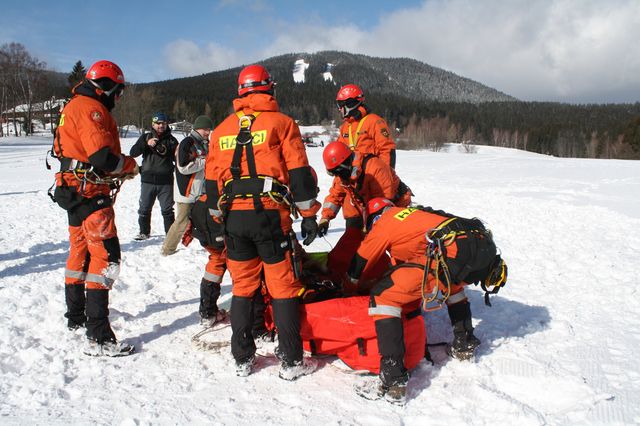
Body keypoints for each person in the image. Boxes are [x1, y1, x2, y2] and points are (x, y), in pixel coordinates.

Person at [205, 64, 320, 380]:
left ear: (242, 91)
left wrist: (218, 221)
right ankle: (291, 359)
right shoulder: (282, 123)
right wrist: (309, 216)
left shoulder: (222, 129)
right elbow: (298, 174)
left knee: (243, 287)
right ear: (269, 88)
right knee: (283, 287)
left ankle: (242, 358)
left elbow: (213, 182)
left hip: (233, 218)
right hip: (269, 215)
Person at [347, 198, 507, 404]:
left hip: (453, 251)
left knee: (384, 295)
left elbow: (362, 260)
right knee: (452, 286)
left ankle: (393, 379)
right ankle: (464, 345)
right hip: (477, 247)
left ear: (371, 219)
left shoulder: (384, 222)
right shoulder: (410, 215)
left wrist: (349, 286)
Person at [51, 60, 138, 357]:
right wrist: (128, 165)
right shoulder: (91, 108)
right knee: (105, 257)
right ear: (107, 87)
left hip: (72, 188)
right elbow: (101, 157)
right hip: (89, 191)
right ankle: (99, 336)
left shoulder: (73, 105)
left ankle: (76, 317)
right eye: (118, 92)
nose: (118, 99)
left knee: (80, 251)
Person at [318, 141, 412, 278]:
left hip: (392, 203)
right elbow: (335, 196)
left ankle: (399, 273)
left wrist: (369, 227)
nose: (337, 177)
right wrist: (325, 219)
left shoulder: (375, 168)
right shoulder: (343, 174)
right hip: (366, 205)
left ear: (344, 163)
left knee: (387, 239)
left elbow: (384, 202)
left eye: (337, 172)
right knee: (354, 236)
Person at [161, 115, 213, 256]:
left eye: (209, 129)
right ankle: (167, 249)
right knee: (182, 221)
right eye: (205, 129)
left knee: (204, 219)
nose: (208, 132)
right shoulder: (187, 143)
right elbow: (183, 167)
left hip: (200, 190)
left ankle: (209, 245)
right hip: (186, 190)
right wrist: (206, 161)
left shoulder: (204, 143)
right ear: (197, 128)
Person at [130, 112, 179, 240]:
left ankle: (170, 234)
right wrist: (146, 144)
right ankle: (144, 232)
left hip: (166, 181)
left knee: (167, 210)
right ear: (153, 124)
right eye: (158, 123)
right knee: (144, 208)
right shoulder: (145, 137)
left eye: (163, 123)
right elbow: (133, 153)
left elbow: (178, 159)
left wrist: (161, 148)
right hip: (147, 180)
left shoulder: (172, 140)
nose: (161, 126)